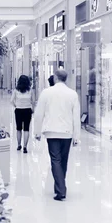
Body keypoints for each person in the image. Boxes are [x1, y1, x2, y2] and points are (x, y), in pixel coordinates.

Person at [34, 69, 81, 201]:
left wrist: (37, 132)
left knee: (55, 160)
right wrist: (76, 137)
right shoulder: (72, 94)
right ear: (65, 79)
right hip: (67, 132)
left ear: (55, 78)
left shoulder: (46, 93)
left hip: (51, 131)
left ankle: (60, 189)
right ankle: (60, 187)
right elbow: (75, 118)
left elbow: (39, 114)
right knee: (63, 161)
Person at [11, 75, 34, 153]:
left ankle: (18, 145)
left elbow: (11, 101)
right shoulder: (30, 90)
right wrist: (32, 108)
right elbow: (33, 101)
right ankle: (25, 146)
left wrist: (16, 105)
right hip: (27, 110)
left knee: (18, 128)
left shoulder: (16, 90)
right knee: (26, 128)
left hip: (18, 110)